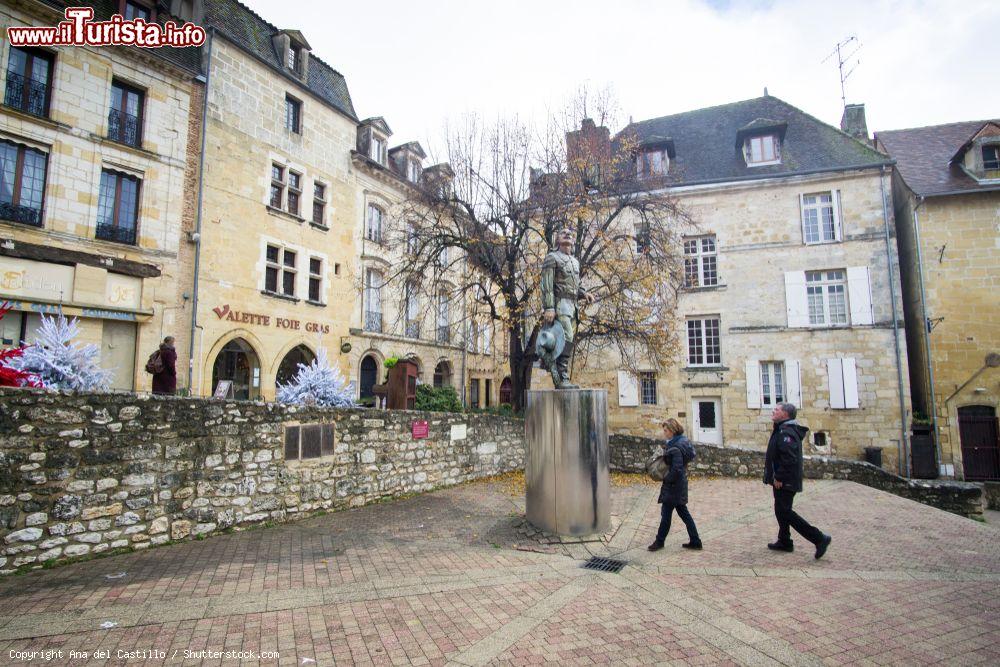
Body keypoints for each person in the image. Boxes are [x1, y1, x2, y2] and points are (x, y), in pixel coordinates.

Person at [764, 402, 832, 559]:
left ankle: (819, 538)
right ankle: (784, 540)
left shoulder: (786, 432)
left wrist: (779, 477)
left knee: (785, 512)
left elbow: (789, 458)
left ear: (785, 414)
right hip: (784, 479)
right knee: (781, 510)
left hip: (785, 480)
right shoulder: (782, 429)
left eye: (777, 409)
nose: (773, 410)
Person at [539, 227, 592, 389]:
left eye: (570, 233)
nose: (567, 234)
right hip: (560, 304)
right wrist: (549, 307)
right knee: (566, 336)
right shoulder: (552, 258)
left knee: (570, 340)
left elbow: (576, 283)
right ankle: (562, 376)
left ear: (573, 240)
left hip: (573, 305)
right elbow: (547, 285)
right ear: (557, 239)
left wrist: (584, 293)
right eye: (563, 233)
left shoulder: (575, 261)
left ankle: (562, 375)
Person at [648, 418, 702, 551]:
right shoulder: (681, 441)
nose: (664, 433)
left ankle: (659, 541)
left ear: (672, 430)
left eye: (666, 430)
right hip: (679, 485)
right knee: (684, 513)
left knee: (666, 515)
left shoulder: (676, 447)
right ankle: (695, 540)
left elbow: (676, 469)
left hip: (674, 486)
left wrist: (666, 478)